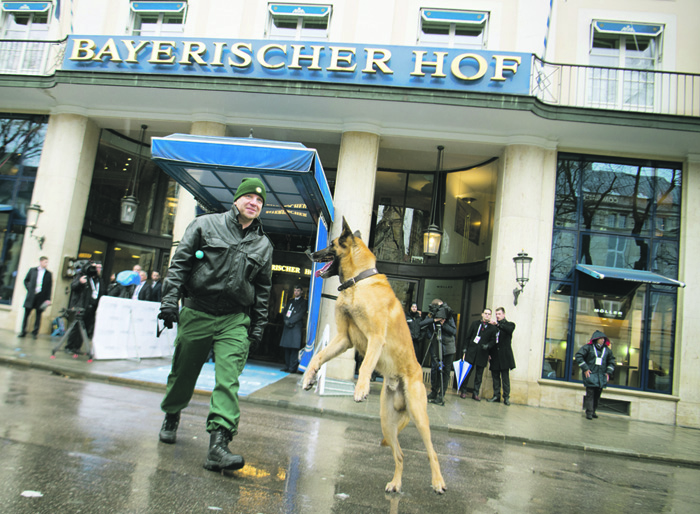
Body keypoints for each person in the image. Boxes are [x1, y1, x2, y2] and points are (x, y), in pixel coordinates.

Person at [157, 177, 273, 473]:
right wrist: (169, 301)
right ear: (237, 199)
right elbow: (180, 263)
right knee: (183, 372)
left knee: (228, 379)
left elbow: (262, 290)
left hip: (234, 319)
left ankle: (218, 444)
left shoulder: (263, 245)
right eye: (249, 197)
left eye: (259, 200)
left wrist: (257, 327)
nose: (254, 203)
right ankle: (172, 414)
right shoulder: (204, 225)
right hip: (198, 310)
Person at [421, 299, 456, 406]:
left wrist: (443, 324)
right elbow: (421, 324)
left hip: (448, 348)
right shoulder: (431, 315)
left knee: (445, 372)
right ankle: (434, 391)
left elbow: (453, 331)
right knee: (435, 369)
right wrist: (434, 320)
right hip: (436, 346)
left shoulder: (448, 317)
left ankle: (441, 395)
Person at [575, 330, 616, 420]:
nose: (602, 340)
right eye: (600, 339)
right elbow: (579, 356)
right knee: (590, 394)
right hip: (591, 375)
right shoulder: (588, 348)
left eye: (603, 339)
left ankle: (593, 411)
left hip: (601, 376)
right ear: (596, 339)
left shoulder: (607, 350)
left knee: (597, 395)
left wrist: (608, 372)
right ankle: (589, 412)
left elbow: (611, 361)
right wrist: (585, 368)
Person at [65, 261, 103, 353]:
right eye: (94, 267)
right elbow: (74, 287)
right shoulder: (83, 276)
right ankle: (69, 346)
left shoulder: (99, 280)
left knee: (85, 328)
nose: (96, 269)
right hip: (81, 306)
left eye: (98, 268)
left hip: (92, 307)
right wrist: (80, 282)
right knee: (76, 327)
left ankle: (77, 347)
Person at [460, 308, 497, 401]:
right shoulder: (475, 324)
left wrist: (488, 346)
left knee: (479, 375)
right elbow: (468, 337)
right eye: (486, 313)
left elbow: (493, 341)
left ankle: (475, 393)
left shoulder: (493, 328)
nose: (487, 315)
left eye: (489, 314)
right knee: (467, 372)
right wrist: (465, 348)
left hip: (482, 353)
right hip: (472, 352)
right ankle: (463, 391)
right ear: (482, 314)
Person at [487, 307, 516, 405]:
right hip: (495, 355)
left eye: (499, 314)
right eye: (496, 314)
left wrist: (498, 325)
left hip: (504, 356)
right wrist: (489, 353)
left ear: (504, 314)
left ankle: (506, 397)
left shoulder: (510, 325)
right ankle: (496, 395)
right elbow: (491, 340)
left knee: (505, 378)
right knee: (495, 377)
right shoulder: (494, 327)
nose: (497, 316)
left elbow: (509, 330)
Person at [19, 256, 53, 339]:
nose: (46, 264)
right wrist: (29, 288)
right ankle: (23, 331)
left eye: (47, 262)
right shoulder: (32, 270)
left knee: (38, 315)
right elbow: (26, 280)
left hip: (41, 296)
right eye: (45, 262)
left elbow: (49, 287)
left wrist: (48, 299)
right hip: (31, 295)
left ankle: (35, 332)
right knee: (26, 314)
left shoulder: (48, 274)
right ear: (41, 262)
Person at [278, 285, 307, 373]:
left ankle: (292, 368)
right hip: (287, 326)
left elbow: (300, 314)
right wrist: (285, 320)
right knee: (287, 347)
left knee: (294, 348)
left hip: (296, 327)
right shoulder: (290, 301)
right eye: (295, 290)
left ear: (301, 292)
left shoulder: (304, 302)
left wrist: (291, 321)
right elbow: (285, 311)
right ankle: (287, 366)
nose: (296, 292)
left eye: (298, 290)